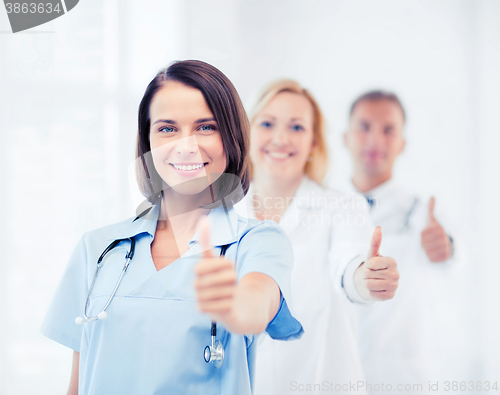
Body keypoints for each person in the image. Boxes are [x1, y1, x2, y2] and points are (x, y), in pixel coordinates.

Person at [40, 60, 303, 395]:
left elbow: (259, 299)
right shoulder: (98, 248)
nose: (186, 145)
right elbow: (78, 383)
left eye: (206, 127)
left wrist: (241, 308)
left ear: (232, 137)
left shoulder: (257, 242)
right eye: (167, 129)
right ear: (148, 142)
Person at [234, 79, 400, 395]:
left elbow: (348, 263)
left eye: (297, 127)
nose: (281, 138)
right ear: (248, 131)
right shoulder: (221, 215)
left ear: (313, 143)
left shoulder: (342, 207)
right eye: (267, 123)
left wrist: (364, 278)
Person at [342, 90, 459, 394]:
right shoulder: (325, 207)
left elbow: (455, 265)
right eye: (364, 126)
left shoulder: (423, 212)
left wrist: (446, 247)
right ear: (346, 137)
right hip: (338, 371)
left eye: (388, 130)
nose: (375, 140)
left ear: (402, 144)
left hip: (401, 376)